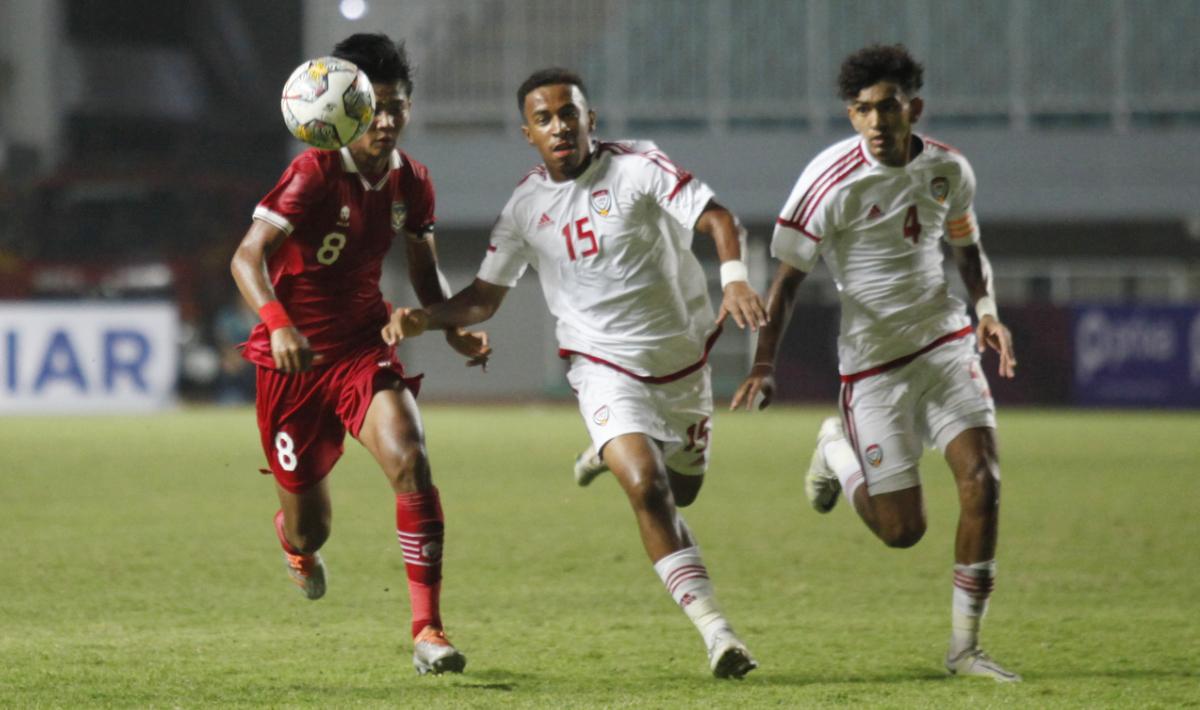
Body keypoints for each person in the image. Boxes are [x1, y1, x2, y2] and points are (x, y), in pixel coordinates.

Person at [384, 68, 766, 679]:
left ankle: (606, 449)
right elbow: (483, 297)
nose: (559, 126)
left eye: (569, 113)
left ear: (591, 119)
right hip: (602, 366)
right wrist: (425, 319)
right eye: (544, 119)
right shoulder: (525, 208)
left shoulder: (639, 166)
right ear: (528, 133)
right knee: (648, 488)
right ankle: (719, 634)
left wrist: (736, 279)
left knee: (683, 491)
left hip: (681, 365)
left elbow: (719, 219)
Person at [731, 44, 1021, 682]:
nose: (876, 121)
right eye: (863, 109)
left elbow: (966, 246)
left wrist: (986, 309)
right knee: (901, 531)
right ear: (851, 114)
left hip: (945, 345)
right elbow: (787, 282)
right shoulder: (827, 180)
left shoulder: (948, 169)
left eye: (888, 107)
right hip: (874, 366)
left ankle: (965, 650)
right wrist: (763, 364)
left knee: (984, 482)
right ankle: (836, 448)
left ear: (913, 108)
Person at [230, 33, 490, 676]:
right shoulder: (314, 172)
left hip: (360, 349)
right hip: (291, 364)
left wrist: (448, 325)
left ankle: (427, 630)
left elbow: (424, 272)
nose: (387, 120)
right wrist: (278, 325)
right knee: (311, 527)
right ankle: (295, 543)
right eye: (374, 108)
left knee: (411, 459)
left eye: (397, 106)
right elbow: (246, 257)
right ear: (344, 110)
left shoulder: (412, 181)